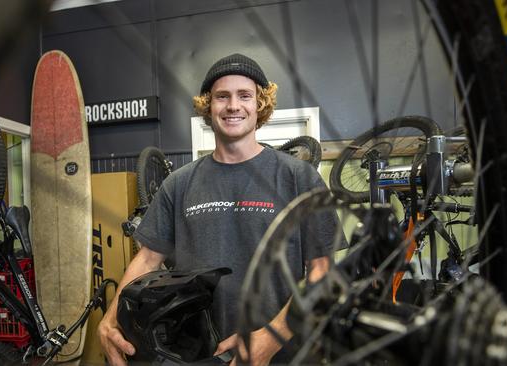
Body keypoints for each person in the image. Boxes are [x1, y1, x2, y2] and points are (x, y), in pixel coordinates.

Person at [98, 53, 336, 365]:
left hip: (283, 353)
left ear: (259, 104)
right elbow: (146, 260)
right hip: (199, 353)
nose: (233, 105)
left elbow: (323, 272)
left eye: (245, 95)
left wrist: (272, 336)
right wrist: (110, 320)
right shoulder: (179, 184)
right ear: (208, 106)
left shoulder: (299, 177)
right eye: (222, 96)